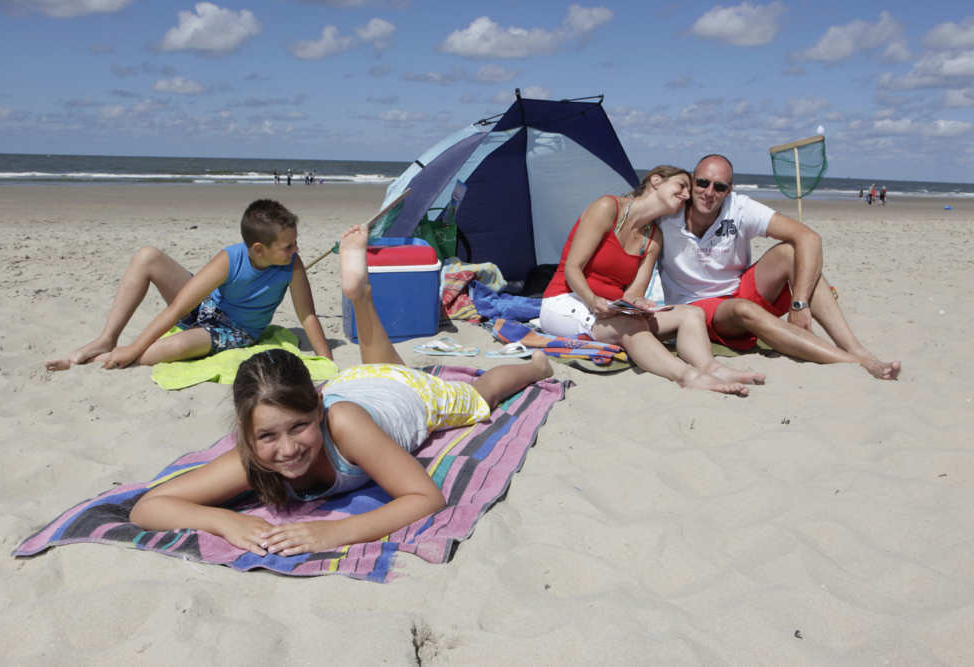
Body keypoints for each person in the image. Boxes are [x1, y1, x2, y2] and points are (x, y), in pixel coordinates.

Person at [129, 225, 554, 555]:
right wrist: (227, 523)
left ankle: (533, 365)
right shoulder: (256, 456)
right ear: (246, 433)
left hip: (409, 396)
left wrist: (337, 531)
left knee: (479, 397)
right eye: (267, 435)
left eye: (298, 428)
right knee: (378, 365)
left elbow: (426, 498)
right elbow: (148, 507)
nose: (287, 448)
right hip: (355, 384)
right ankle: (360, 292)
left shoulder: (343, 423)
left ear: (318, 407)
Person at [656, 154, 900, 380]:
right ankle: (853, 362)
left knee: (791, 253)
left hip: (738, 290)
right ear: (691, 181)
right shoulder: (669, 210)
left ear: (729, 190)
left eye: (719, 187)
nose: (709, 192)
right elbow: (629, 214)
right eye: (702, 183)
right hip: (696, 308)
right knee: (743, 308)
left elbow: (809, 238)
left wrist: (800, 302)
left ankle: (859, 351)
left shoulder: (738, 208)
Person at [540, 165, 764, 395]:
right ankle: (687, 376)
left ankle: (711, 367)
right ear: (656, 181)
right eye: (681, 186)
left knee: (691, 313)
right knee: (630, 326)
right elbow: (572, 268)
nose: (687, 195)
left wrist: (638, 304)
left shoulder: (654, 237)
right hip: (566, 301)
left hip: (612, 312)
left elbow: (633, 293)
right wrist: (592, 299)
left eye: (689, 190)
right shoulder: (608, 207)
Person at [45, 199, 332, 371]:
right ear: (259, 249)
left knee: (179, 344)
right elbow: (179, 307)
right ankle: (108, 339)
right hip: (205, 309)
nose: (296, 249)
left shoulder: (291, 266)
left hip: (236, 331)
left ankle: (93, 362)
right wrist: (133, 346)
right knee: (148, 256)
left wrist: (326, 361)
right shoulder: (229, 259)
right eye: (288, 245)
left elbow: (307, 316)